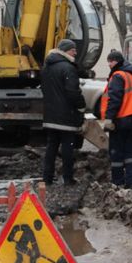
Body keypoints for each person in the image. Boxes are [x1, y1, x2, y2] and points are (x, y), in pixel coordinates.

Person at [41, 38, 86, 186]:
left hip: (50, 114)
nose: (75, 52)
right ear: (66, 50)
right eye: (73, 50)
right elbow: (72, 91)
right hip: (66, 115)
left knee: (51, 147)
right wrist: (81, 106)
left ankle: (47, 178)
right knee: (68, 147)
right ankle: (68, 178)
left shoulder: (47, 66)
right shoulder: (68, 68)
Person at [100, 50, 132, 188]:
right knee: (130, 152)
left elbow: (114, 99)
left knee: (116, 152)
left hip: (121, 119)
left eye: (109, 62)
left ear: (114, 61)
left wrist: (109, 119)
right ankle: (131, 181)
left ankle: (117, 181)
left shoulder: (118, 75)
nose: (109, 65)